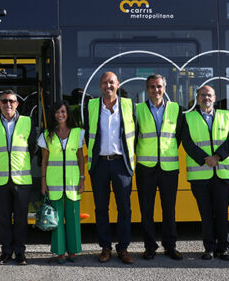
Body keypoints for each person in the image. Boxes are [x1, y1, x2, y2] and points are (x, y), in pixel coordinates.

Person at [83, 71, 136, 264]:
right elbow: (88, 132)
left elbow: (135, 132)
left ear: (118, 84)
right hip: (100, 164)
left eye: (111, 82)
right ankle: (105, 247)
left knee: (124, 209)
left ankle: (123, 248)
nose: (108, 86)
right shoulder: (91, 106)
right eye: (105, 82)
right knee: (101, 208)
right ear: (100, 86)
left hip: (121, 163)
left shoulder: (129, 105)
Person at [182, 85, 229, 260]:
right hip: (200, 175)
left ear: (215, 98)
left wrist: (217, 156)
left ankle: (224, 248)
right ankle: (209, 248)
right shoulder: (188, 117)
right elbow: (187, 142)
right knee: (205, 214)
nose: (206, 98)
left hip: (222, 174)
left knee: (222, 213)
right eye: (202, 95)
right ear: (197, 98)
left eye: (209, 95)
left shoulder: (227, 116)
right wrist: (206, 159)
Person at [135, 74, 184, 261]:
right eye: (152, 87)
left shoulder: (176, 109)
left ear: (164, 88)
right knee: (146, 210)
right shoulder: (138, 110)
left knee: (169, 210)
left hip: (169, 168)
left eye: (159, 86)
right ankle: (149, 247)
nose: (156, 90)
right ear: (147, 89)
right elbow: (134, 136)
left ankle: (170, 246)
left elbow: (178, 135)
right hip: (145, 168)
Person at [0, 90, 37, 265]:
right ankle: (6, 252)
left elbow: (31, 148)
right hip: (0, 179)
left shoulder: (27, 121)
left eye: (11, 101)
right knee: (3, 219)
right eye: (4, 101)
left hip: (21, 179)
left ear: (17, 104)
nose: (8, 104)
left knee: (21, 219)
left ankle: (20, 252)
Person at [40, 101, 85, 264]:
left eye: (63, 112)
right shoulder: (47, 134)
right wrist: (43, 182)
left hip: (73, 182)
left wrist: (82, 179)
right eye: (57, 112)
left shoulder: (77, 133)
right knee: (56, 219)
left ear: (68, 114)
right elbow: (44, 160)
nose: (60, 115)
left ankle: (73, 251)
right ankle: (60, 253)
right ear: (53, 115)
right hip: (54, 183)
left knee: (73, 217)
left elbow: (80, 158)